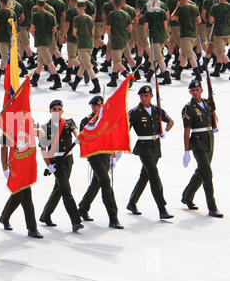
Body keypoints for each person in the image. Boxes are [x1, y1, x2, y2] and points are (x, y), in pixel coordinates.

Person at [127, 86, 175, 219]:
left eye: (146, 96)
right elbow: (126, 130)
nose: (143, 98)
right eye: (141, 96)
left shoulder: (156, 110)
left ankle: (132, 203)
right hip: (143, 146)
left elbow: (171, 121)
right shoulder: (134, 112)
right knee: (154, 175)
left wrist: (165, 131)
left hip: (155, 146)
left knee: (145, 175)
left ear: (151, 96)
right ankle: (162, 209)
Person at [77, 97, 123, 229]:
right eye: (93, 106)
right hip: (94, 155)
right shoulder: (87, 120)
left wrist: (114, 155)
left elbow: (113, 135)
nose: (95, 108)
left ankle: (83, 207)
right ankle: (113, 217)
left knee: (97, 182)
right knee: (105, 182)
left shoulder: (107, 118)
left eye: (98, 106)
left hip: (106, 154)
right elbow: (84, 137)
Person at [38, 100, 84, 232]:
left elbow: (76, 132)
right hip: (56, 162)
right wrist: (49, 166)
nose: (57, 111)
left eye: (59, 109)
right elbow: (43, 148)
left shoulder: (68, 122)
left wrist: (78, 137)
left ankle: (45, 215)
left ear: (62, 111)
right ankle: (75, 220)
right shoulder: (45, 128)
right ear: (50, 111)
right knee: (66, 191)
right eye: (54, 109)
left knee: (58, 189)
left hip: (68, 160)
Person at [181, 80, 223, 218]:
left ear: (202, 90)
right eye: (192, 90)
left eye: (197, 89)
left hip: (209, 139)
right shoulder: (188, 108)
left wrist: (215, 124)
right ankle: (212, 207)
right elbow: (187, 131)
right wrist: (186, 151)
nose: (195, 92)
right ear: (190, 92)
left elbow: (213, 114)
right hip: (197, 142)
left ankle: (187, 196)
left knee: (202, 171)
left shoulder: (207, 102)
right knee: (207, 174)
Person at [0, 133, 43, 239]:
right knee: (26, 194)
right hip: (15, 165)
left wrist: (37, 130)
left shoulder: (29, 122)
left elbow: (41, 133)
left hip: (26, 164)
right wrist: (5, 168)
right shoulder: (8, 126)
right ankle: (32, 228)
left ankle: (4, 217)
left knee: (18, 194)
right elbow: (3, 149)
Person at [29, 0, 62, 90]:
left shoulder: (35, 15)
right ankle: (35, 79)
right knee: (40, 61)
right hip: (48, 40)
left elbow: (32, 29)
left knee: (49, 62)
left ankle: (57, 80)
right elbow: (54, 29)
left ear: (37, 5)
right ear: (45, 4)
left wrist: (36, 35)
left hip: (40, 41)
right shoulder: (51, 15)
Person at [70, 0, 101, 93]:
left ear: (77, 7)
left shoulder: (77, 18)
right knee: (82, 66)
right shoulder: (90, 18)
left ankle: (97, 86)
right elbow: (92, 32)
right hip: (89, 43)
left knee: (88, 66)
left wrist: (79, 36)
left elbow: (74, 32)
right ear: (85, 7)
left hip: (82, 44)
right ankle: (75, 84)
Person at [171, 0, 202, 81]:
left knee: (189, 55)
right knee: (184, 54)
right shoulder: (194, 8)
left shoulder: (180, 8)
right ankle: (178, 73)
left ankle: (198, 74)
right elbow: (199, 20)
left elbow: (172, 18)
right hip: (193, 34)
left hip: (185, 34)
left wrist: (177, 7)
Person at [143, 0, 172, 84]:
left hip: (154, 37)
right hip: (162, 36)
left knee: (159, 58)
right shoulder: (162, 11)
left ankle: (166, 76)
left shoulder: (148, 13)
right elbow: (166, 26)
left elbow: (145, 28)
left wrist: (148, 34)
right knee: (155, 55)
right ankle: (150, 74)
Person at [105, 0, 132, 87]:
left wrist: (110, 35)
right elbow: (130, 28)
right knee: (118, 60)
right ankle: (113, 80)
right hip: (124, 39)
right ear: (121, 3)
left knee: (117, 62)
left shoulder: (111, 14)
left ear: (113, 4)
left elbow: (108, 28)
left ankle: (128, 76)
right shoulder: (126, 14)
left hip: (115, 40)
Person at [0, 0, 18, 83]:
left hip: (2, 38)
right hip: (11, 38)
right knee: (5, 57)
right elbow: (15, 26)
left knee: (5, 58)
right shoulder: (12, 13)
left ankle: (9, 77)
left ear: (0, 2)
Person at [208, 0, 230, 77]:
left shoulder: (215, 6)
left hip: (219, 32)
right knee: (221, 50)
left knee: (220, 52)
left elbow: (211, 20)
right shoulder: (229, 6)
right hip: (228, 31)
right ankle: (217, 70)